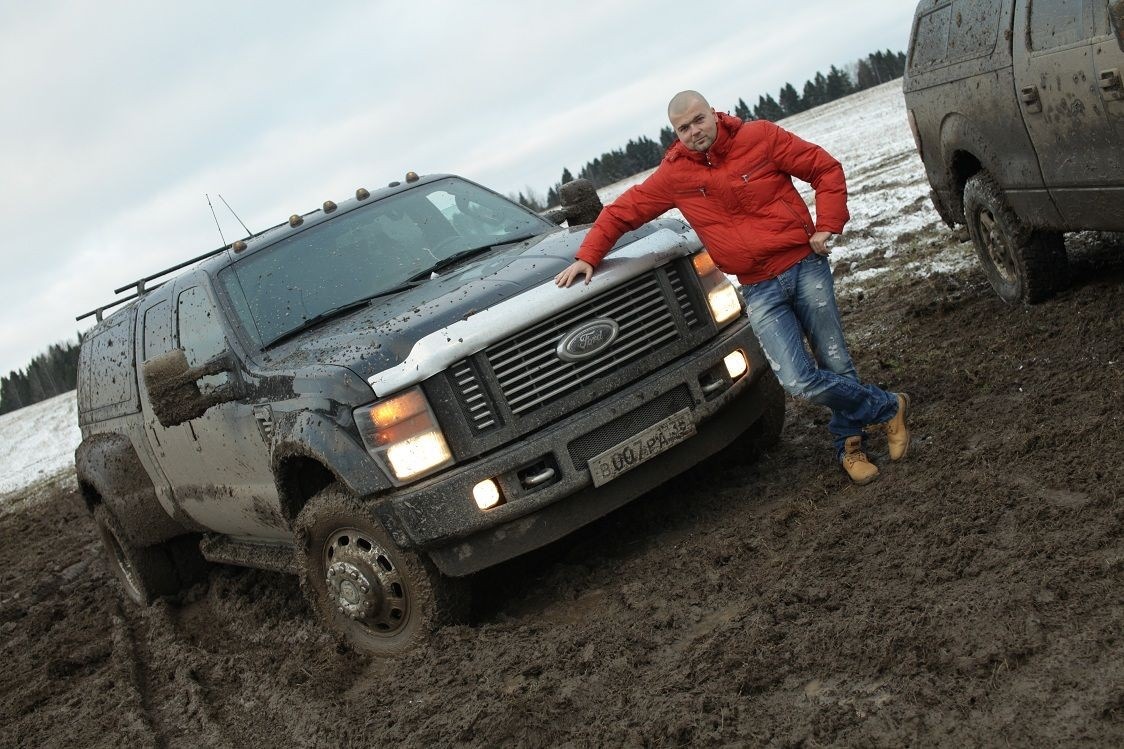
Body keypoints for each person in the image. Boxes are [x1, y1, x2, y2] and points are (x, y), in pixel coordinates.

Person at [554, 90, 910, 484]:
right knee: (796, 378)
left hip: (803, 266)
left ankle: (850, 447)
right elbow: (622, 213)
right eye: (683, 128)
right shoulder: (675, 175)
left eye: (698, 120)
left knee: (836, 362)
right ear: (675, 133)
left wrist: (827, 224)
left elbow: (824, 169)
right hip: (758, 287)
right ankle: (887, 407)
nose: (694, 132)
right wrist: (588, 255)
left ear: (714, 115)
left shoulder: (759, 137)